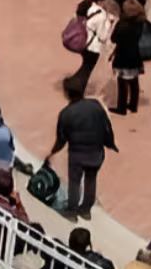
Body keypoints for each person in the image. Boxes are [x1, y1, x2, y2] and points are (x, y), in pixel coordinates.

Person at [45, 78, 118, 221]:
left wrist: (52, 152)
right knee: (91, 180)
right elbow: (106, 126)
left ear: (67, 94)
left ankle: (72, 212)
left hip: (77, 155)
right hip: (96, 152)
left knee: (75, 182)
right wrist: (110, 143)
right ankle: (85, 210)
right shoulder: (96, 106)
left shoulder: (66, 113)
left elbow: (61, 138)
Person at [41, 227, 114, 269]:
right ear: (87, 245)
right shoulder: (90, 262)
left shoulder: (58, 249)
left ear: (70, 241)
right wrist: (97, 256)